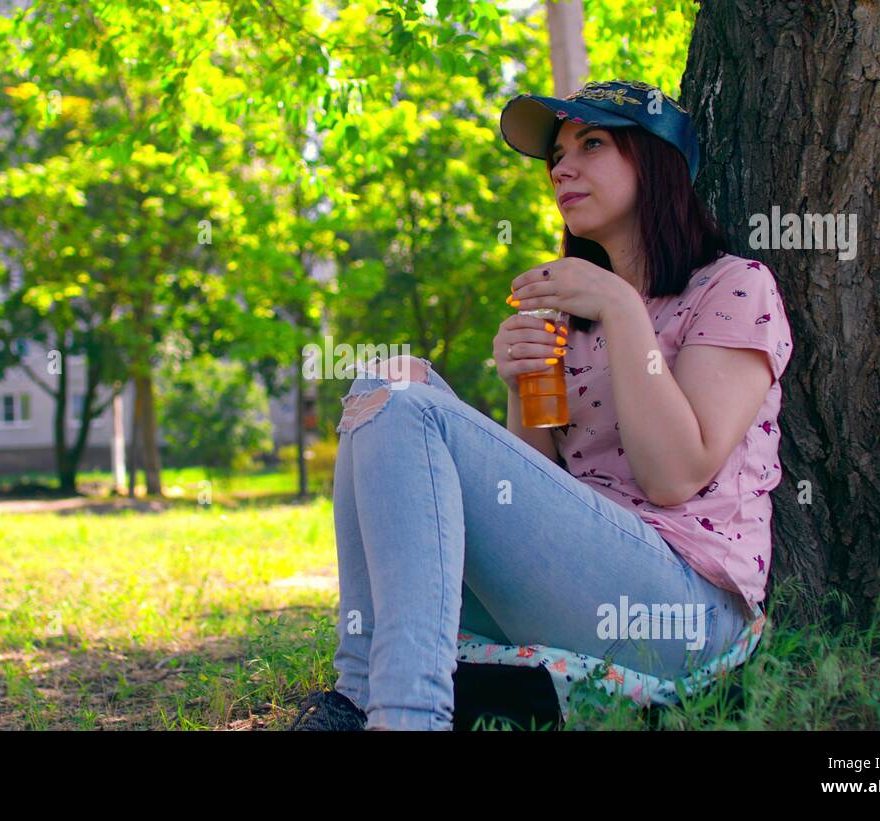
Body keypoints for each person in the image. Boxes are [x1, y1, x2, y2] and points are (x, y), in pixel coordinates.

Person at [289, 80, 793, 731]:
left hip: (684, 607)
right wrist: (521, 382)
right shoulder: (570, 322)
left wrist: (619, 306)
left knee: (414, 404)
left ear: (657, 160)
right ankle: (358, 695)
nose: (562, 166)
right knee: (385, 386)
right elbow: (535, 497)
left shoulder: (735, 286)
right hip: (579, 583)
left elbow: (675, 476)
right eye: (556, 153)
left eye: (592, 143)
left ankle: (408, 717)